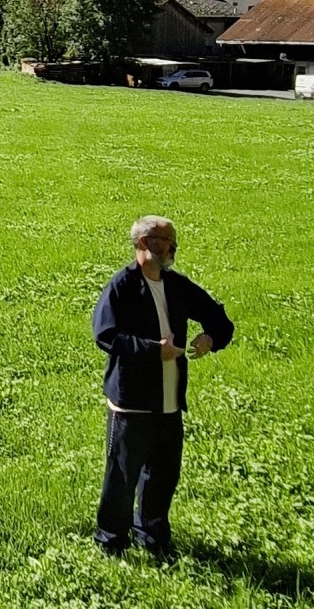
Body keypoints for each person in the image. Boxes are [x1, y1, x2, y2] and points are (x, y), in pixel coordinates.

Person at [91, 214, 234, 559]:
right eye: (165, 241)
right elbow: (106, 335)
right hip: (132, 403)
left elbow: (219, 319)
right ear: (142, 243)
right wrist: (155, 351)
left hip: (169, 402)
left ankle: (153, 539)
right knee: (122, 477)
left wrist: (211, 338)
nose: (172, 247)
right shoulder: (121, 286)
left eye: (174, 241)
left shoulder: (177, 285)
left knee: (163, 475)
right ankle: (111, 542)